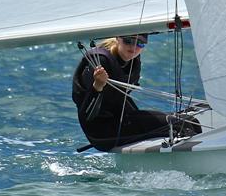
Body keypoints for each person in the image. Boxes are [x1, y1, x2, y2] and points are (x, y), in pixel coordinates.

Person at [72, 34, 201, 151]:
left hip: (123, 120)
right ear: (118, 38)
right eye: (128, 41)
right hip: (101, 131)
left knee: (190, 121)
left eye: (140, 43)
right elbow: (86, 115)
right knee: (180, 126)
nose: (133, 47)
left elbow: (120, 98)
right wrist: (98, 86)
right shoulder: (100, 62)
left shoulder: (133, 61)